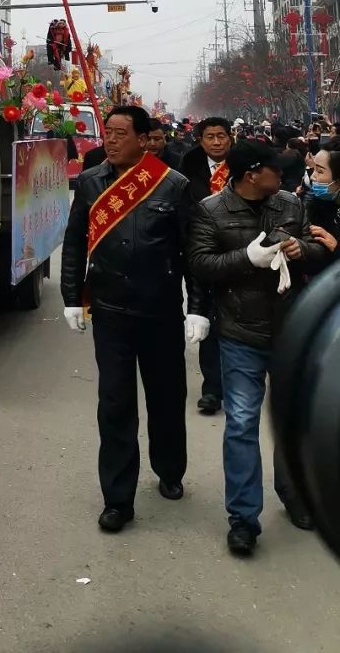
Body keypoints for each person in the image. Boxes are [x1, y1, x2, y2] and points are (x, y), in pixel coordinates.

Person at [61, 104, 206, 532]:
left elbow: (191, 253)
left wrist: (196, 306)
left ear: (144, 140)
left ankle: (169, 469)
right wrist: (72, 296)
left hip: (159, 311)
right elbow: (74, 243)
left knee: (165, 397)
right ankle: (118, 499)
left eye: (122, 132)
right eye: (108, 131)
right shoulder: (91, 181)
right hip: (110, 312)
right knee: (115, 403)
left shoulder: (172, 185)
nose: (112, 139)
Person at [188, 139, 327, 554]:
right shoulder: (210, 211)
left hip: (291, 331)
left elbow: (317, 247)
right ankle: (244, 518)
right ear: (252, 174)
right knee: (243, 425)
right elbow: (200, 266)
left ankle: (295, 494)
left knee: (292, 422)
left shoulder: (289, 204)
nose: (282, 177)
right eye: (274, 170)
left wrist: (304, 249)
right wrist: (247, 258)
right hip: (240, 334)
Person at [180, 116, 234, 416]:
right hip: (202, 253)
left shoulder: (245, 164)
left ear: (230, 138)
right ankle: (212, 389)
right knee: (207, 318)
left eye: (222, 136)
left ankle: (239, 384)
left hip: (243, 252)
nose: (216, 142)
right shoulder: (187, 167)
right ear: (200, 140)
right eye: (210, 137)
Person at [304, 145, 340, 262]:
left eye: (319, 171)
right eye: (313, 169)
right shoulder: (320, 203)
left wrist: (336, 248)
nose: (313, 177)